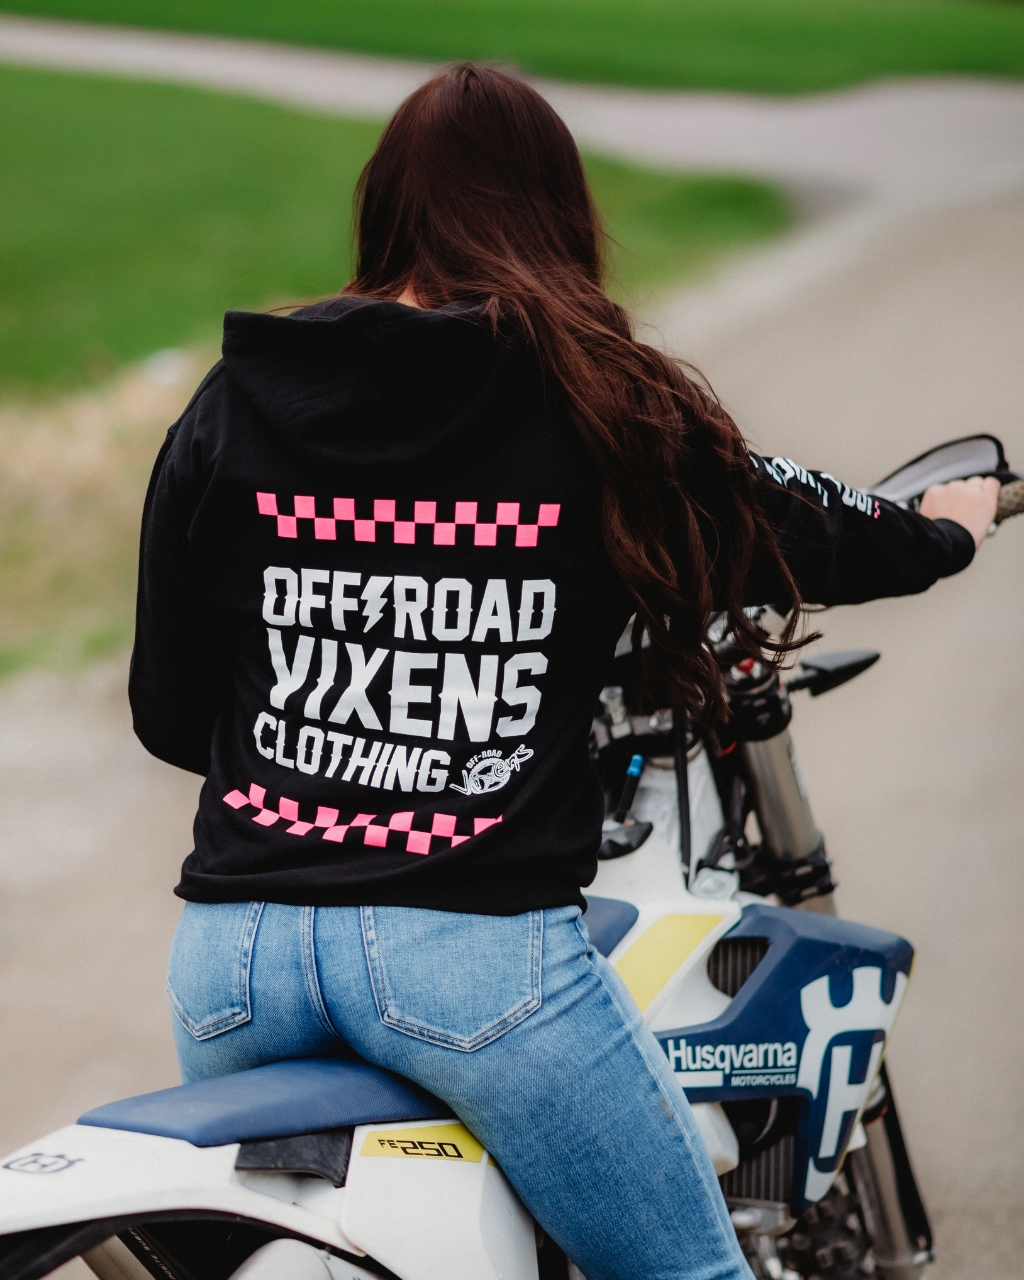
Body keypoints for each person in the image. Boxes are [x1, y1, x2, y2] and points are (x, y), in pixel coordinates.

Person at [129, 63, 998, 1280]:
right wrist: (943, 529)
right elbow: (802, 521)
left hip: (235, 961)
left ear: (384, 208)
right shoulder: (597, 398)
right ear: (555, 214)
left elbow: (170, 710)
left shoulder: (238, 397)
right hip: (470, 963)